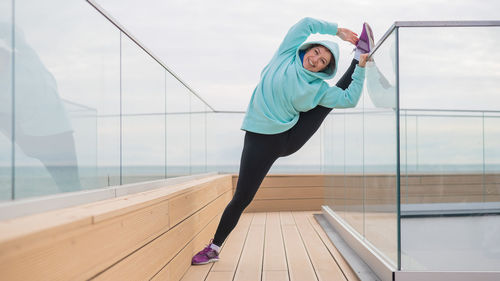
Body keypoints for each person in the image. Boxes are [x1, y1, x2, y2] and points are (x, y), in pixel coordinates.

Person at [192, 18, 374, 265]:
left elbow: (350, 99)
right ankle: (214, 248)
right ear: (307, 49)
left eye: (322, 62)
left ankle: (359, 55)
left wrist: (361, 67)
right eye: (316, 52)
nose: (315, 59)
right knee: (243, 197)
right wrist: (337, 31)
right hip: (260, 141)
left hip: (288, 138)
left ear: (323, 70)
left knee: (325, 105)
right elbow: (305, 25)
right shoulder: (285, 56)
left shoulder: (317, 87)